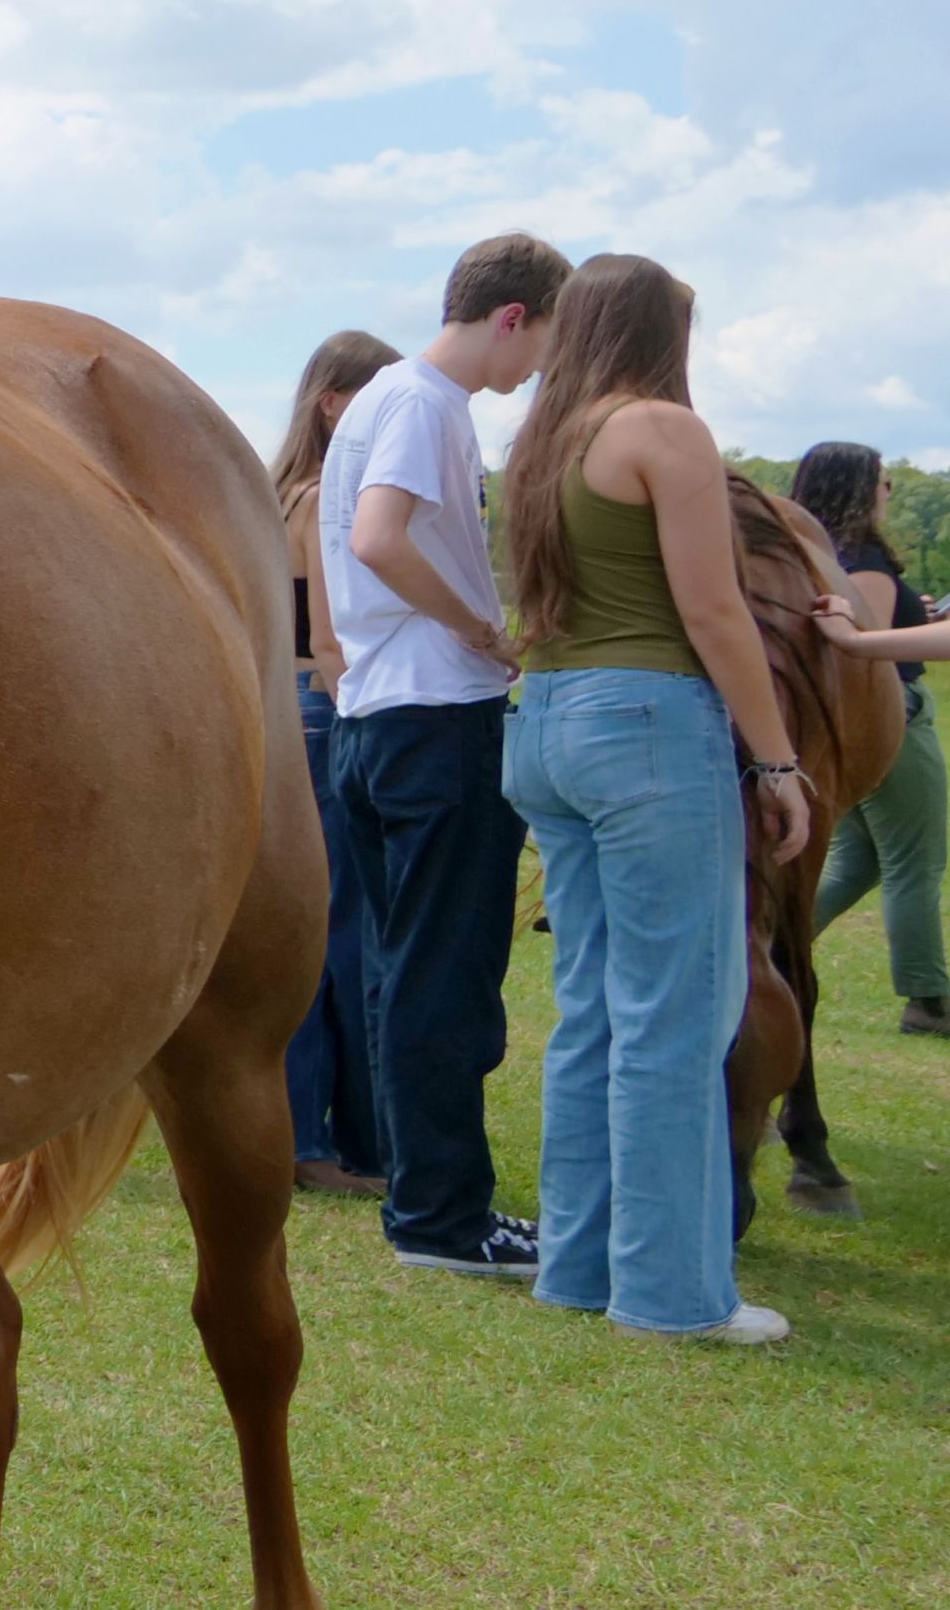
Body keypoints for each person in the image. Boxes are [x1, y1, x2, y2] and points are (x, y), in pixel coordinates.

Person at [497, 254, 810, 1345]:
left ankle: (578, 1269)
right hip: (645, 728)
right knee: (676, 1015)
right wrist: (774, 761)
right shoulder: (663, 432)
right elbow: (716, 614)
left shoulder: (536, 443)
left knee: (590, 1013)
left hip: (542, 721)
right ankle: (673, 1296)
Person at [318, 230, 569, 1278]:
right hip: (434, 715)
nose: (534, 374)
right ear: (510, 316)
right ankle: (442, 1219)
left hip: (378, 718)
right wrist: (478, 623)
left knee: (400, 971)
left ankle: (427, 1204)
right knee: (443, 980)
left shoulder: (380, 398)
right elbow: (379, 539)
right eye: (539, 348)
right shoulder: (423, 403)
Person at [274, 329, 400, 1198]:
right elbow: (328, 640)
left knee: (319, 924)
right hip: (322, 707)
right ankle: (310, 1133)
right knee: (330, 931)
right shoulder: (323, 497)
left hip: (285, 708)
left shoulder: (276, 491)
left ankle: (322, 1126)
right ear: (333, 403)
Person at [793, 442, 948, 1037]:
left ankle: (766, 944)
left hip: (852, 727)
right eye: (883, 483)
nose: (889, 493)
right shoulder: (866, 562)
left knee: (856, 860)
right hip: (896, 721)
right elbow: (872, 643)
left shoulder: (823, 553)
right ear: (861, 490)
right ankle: (928, 997)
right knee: (916, 861)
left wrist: (921, 619)